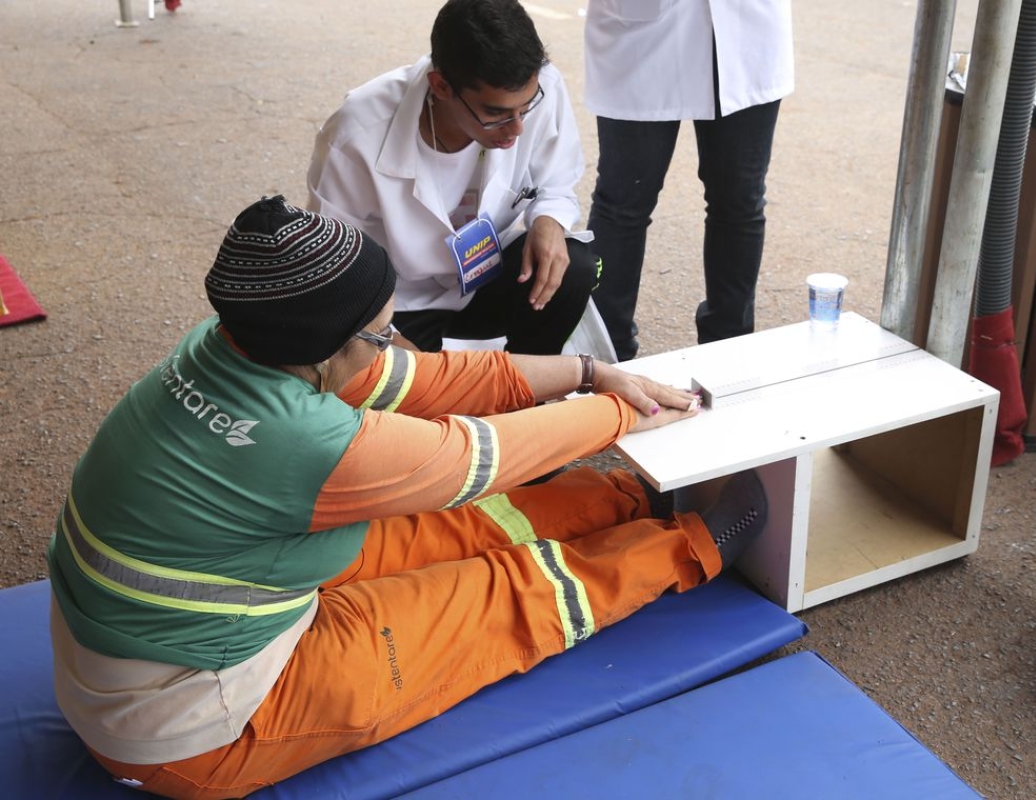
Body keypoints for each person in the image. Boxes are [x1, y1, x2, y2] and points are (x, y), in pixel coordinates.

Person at [46, 196, 767, 799]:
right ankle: (690, 548)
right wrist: (624, 411)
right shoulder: (304, 440)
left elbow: (436, 383)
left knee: (455, 525)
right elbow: (482, 457)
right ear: (328, 345)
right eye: (381, 330)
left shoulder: (238, 344)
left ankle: (621, 499)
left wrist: (590, 370)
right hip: (197, 717)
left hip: (220, 603)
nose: (393, 342)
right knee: (496, 597)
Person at [308, 0, 597, 356]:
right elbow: (334, 263)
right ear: (441, 86)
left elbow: (557, 182)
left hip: (488, 281)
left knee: (575, 264)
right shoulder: (357, 134)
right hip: (399, 305)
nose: (517, 129)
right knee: (417, 402)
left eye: (525, 108)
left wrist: (549, 220)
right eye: (495, 113)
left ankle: (530, 391)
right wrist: (387, 338)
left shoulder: (539, 88)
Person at [583, 0, 795, 361]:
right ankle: (605, 354)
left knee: (739, 199)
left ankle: (729, 349)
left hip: (745, 26)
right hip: (642, 29)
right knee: (622, 202)